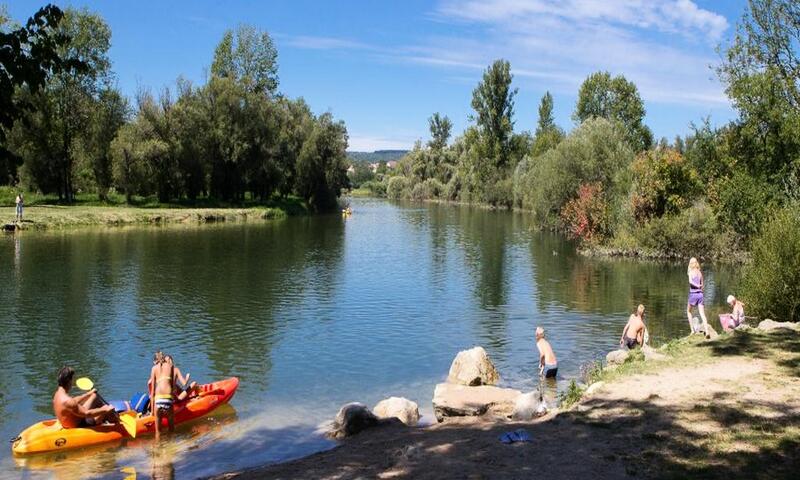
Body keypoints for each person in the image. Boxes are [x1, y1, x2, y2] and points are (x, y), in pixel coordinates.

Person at [52, 366, 118, 428]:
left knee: (94, 396)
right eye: (72, 380)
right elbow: (87, 413)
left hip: (71, 420)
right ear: (69, 381)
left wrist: (88, 394)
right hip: (79, 424)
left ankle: (106, 418)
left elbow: (73, 401)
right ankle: (116, 423)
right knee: (105, 409)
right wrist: (105, 409)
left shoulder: (57, 394)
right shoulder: (68, 401)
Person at [149, 351, 175, 440]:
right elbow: (172, 386)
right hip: (168, 398)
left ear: (155, 361)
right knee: (171, 429)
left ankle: (158, 451)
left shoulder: (153, 368)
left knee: (158, 432)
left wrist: (152, 412)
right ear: (164, 358)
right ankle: (171, 449)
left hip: (158, 399)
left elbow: (152, 392)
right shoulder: (171, 366)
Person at [686, 257, 710, 336]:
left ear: (690, 264)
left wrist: (697, 286)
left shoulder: (690, 272)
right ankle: (707, 331)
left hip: (693, 294)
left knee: (689, 311)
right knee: (702, 314)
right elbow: (703, 285)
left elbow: (690, 282)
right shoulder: (699, 272)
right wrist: (700, 287)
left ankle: (692, 330)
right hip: (700, 295)